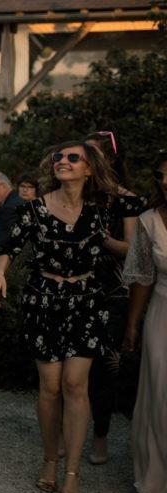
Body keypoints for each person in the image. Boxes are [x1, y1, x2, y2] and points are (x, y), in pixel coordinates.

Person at [0, 141, 143, 493]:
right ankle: (49, 459)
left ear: (89, 168)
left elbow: (139, 203)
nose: (63, 162)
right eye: (59, 157)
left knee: (77, 384)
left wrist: (104, 172)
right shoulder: (36, 209)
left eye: (74, 158)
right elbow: (9, 246)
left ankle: (72, 473)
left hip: (88, 301)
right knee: (51, 386)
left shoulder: (102, 208)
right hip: (44, 299)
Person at [83, 131, 139, 466]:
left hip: (113, 293)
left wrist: (100, 239)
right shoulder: (77, 195)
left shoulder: (127, 199)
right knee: (70, 366)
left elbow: (131, 249)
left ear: (111, 160)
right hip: (76, 288)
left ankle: (100, 435)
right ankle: (65, 431)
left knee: (106, 368)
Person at [122, 154, 167, 493]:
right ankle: (156, 477)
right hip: (161, 315)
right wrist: (133, 325)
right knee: (159, 391)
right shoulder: (149, 220)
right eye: (160, 175)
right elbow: (142, 279)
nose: (164, 181)